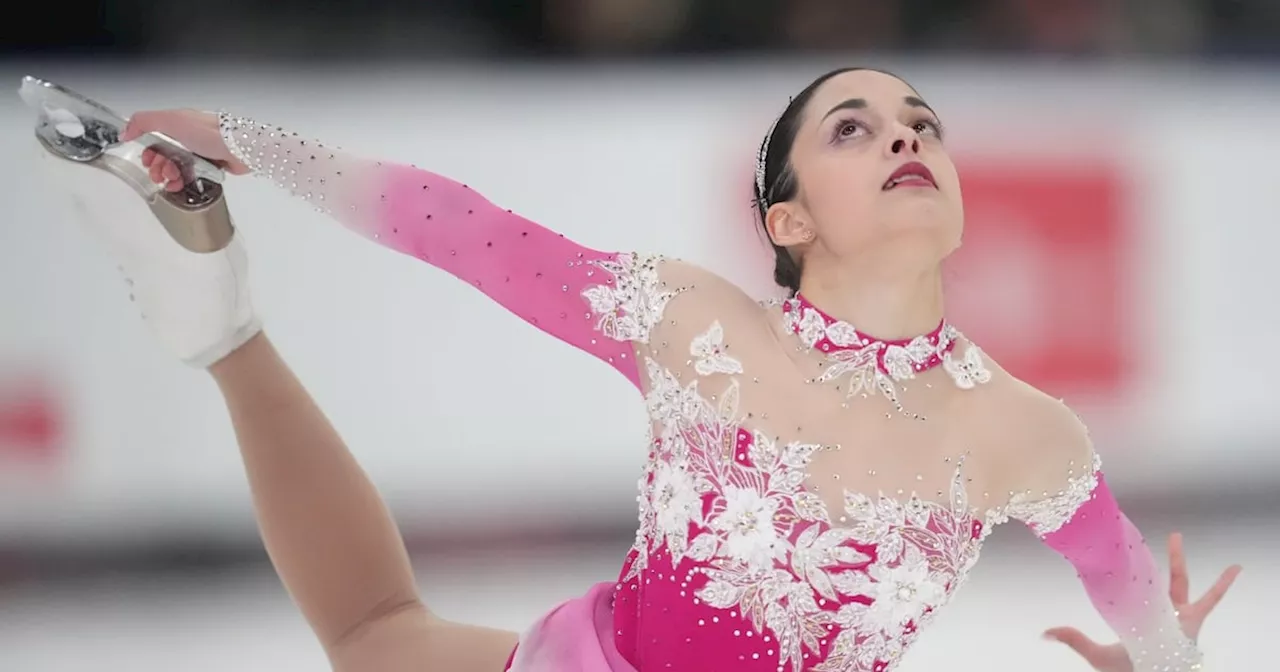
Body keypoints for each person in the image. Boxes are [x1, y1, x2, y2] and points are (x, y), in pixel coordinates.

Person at [43, 68, 1239, 672]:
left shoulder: (1027, 434)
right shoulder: (687, 322)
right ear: (788, 223)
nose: (906, 137)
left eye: (921, 122)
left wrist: (1163, 657)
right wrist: (249, 142)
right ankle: (220, 316)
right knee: (372, 638)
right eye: (854, 128)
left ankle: (215, 318)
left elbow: (1123, 575)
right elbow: (459, 227)